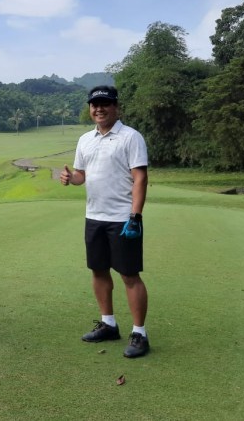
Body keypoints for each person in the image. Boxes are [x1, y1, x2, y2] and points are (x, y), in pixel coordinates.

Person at [60, 85, 150, 358]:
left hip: (123, 218)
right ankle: (108, 324)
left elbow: (140, 178)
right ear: (90, 109)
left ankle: (140, 334)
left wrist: (135, 216)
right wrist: (70, 178)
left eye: (105, 104)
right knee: (98, 271)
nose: (99, 109)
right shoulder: (85, 140)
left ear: (116, 107)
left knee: (129, 276)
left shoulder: (130, 137)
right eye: (94, 104)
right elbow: (81, 175)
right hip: (94, 217)